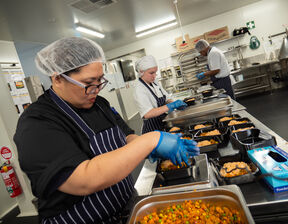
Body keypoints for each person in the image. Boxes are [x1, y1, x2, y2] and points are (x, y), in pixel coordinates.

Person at [13, 37, 199, 224]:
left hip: (126, 207)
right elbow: (84, 179)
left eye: (100, 81)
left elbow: (127, 136)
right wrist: (150, 140)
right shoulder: (36, 122)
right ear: (58, 78)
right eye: (88, 82)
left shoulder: (99, 104)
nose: (96, 89)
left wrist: (151, 148)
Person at [134, 55, 187, 134]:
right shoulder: (139, 89)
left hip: (163, 123)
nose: (154, 76)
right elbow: (147, 113)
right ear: (141, 72)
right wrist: (170, 106)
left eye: (155, 72)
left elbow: (166, 98)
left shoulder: (154, 82)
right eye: (151, 73)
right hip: (152, 129)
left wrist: (173, 103)